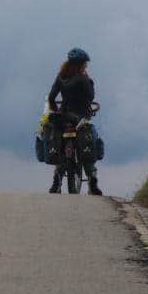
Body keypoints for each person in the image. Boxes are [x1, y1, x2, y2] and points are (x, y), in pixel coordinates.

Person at [46, 47, 102, 195]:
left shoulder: (60, 77)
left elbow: (51, 97)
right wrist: (90, 81)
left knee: (62, 148)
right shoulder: (83, 78)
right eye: (85, 63)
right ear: (80, 64)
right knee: (90, 141)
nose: (86, 66)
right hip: (80, 117)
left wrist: (56, 111)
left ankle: (57, 180)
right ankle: (92, 179)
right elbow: (90, 96)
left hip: (63, 118)